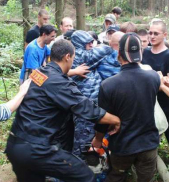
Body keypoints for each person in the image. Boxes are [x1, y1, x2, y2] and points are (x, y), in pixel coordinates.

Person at [5, 39, 120, 182]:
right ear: (67, 57)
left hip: (15, 146)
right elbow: (88, 110)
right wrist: (115, 120)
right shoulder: (59, 83)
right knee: (85, 175)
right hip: (37, 150)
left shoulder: (39, 73)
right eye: (73, 57)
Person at [93, 32, 160, 182]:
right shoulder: (154, 77)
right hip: (148, 144)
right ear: (140, 53)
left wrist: (98, 140)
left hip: (123, 145)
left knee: (117, 177)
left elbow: (102, 119)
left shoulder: (108, 85)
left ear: (119, 54)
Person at [71, 30, 121, 157]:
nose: (92, 46)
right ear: (80, 44)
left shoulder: (80, 58)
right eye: (88, 44)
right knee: (83, 143)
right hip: (85, 110)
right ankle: (80, 168)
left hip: (92, 110)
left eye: (92, 42)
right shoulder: (79, 56)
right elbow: (99, 53)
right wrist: (109, 48)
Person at [142, 19, 169, 167]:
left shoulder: (168, 55)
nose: (152, 36)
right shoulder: (145, 52)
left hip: (165, 102)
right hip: (148, 102)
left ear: (164, 35)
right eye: (150, 33)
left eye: (156, 33)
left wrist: (159, 81)